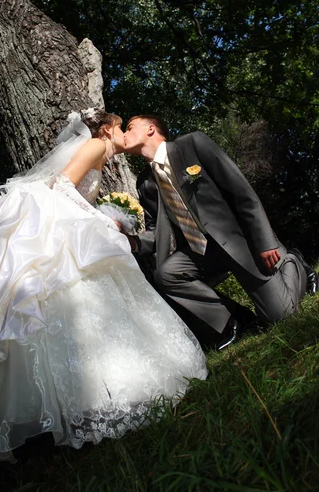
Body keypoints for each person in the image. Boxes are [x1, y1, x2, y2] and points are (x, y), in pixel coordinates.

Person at [0, 109, 207, 467]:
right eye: (122, 128)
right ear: (108, 129)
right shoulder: (98, 145)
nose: (125, 136)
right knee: (81, 294)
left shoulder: (98, 151)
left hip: (67, 223)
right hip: (64, 229)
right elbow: (65, 185)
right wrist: (102, 219)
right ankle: (101, 396)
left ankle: (86, 399)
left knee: (76, 304)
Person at [124, 115, 318, 350]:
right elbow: (158, 232)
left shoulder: (192, 145)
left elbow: (240, 190)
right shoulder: (145, 184)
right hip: (202, 252)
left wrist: (265, 241)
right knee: (167, 274)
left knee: (282, 315)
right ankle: (234, 320)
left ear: (150, 129)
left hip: (239, 242)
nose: (124, 134)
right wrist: (132, 242)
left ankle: (294, 262)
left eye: (129, 128)